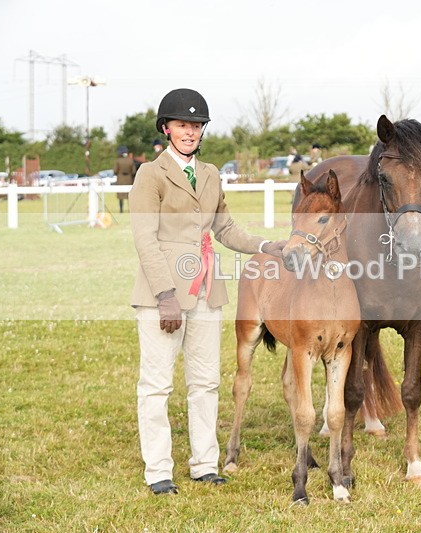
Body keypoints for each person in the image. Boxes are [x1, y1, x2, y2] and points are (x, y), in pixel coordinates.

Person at [129, 88, 285, 495]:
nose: (190, 132)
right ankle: (159, 470)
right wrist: (165, 295)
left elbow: (225, 228)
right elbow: (145, 238)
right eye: (182, 124)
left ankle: (204, 463)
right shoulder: (150, 174)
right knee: (157, 385)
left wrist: (265, 246)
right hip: (162, 293)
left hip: (206, 290)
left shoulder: (212, 174)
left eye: (196, 126)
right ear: (167, 129)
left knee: (205, 382)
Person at [114, 146, 136, 213]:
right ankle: (130, 210)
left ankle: (121, 210)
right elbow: (133, 171)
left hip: (120, 179)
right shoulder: (130, 160)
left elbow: (115, 171)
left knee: (121, 196)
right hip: (129, 179)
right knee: (129, 196)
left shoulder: (118, 161)